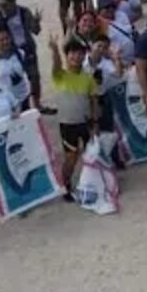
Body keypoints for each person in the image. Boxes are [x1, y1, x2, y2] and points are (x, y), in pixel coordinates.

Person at [48, 34, 99, 201]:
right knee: (71, 157)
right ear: (67, 56)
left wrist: (94, 122)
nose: (76, 57)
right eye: (72, 53)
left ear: (84, 55)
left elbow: (93, 101)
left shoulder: (88, 78)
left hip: (85, 122)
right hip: (67, 124)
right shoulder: (60, 75)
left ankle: (92, 183)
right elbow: (55, 65)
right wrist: (55, 50)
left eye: (80, 54)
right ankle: (65, 185)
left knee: (91, 154)